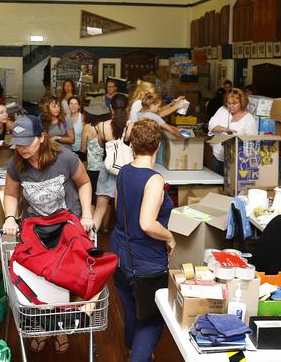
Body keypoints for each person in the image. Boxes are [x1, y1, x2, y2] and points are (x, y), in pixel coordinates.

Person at [2, 115, 93, 355]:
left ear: (41, 138)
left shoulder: (65, 159)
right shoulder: (16, 164)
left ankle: (60, 327)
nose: (21, 148)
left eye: (26, 142)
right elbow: (11, 193)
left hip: (66, 225)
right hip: (36, 228)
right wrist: (11, 216)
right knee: (38, 276)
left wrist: (87, 215)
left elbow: (84, 183)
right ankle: (44, 325)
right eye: (17, 143)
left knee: (64, 276)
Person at [111, 118, 176, 362]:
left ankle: (134, 350)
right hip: (145, 260)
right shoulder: (154, 179)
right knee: (152, 315)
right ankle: (138, 357)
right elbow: (147, 224)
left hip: (119, 251)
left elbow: (119, 208)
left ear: (132, 145)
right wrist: (169, 237)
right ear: (157, 145)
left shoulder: (124, 171)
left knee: (130, 307)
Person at [93, 94, 129, 232]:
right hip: (125, 172)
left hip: (107, 169)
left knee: (99, 209)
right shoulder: (130, 126)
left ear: (110, 108)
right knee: (123, 211)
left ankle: (90, 242)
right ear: (127, 108)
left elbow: (102, 145)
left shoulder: (101, 126)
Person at [207, 88, 258, 175]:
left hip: (236, 161)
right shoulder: (223, 110)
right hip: (218, 156)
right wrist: (224, 129)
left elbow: (251, 142)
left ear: (242, 103)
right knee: (215, 184)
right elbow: (211, 126)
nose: (231, 106)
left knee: (229, 186)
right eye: (229, 103)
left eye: (235, 103)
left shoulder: (249, 120)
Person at [80, 102, 111, 227]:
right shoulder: (106, 127)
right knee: (106, 198)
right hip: (105, 168)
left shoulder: (87, 127)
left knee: (92, 198)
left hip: (92, 169)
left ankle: (91, 228)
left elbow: (82, 149)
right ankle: (105, 226)